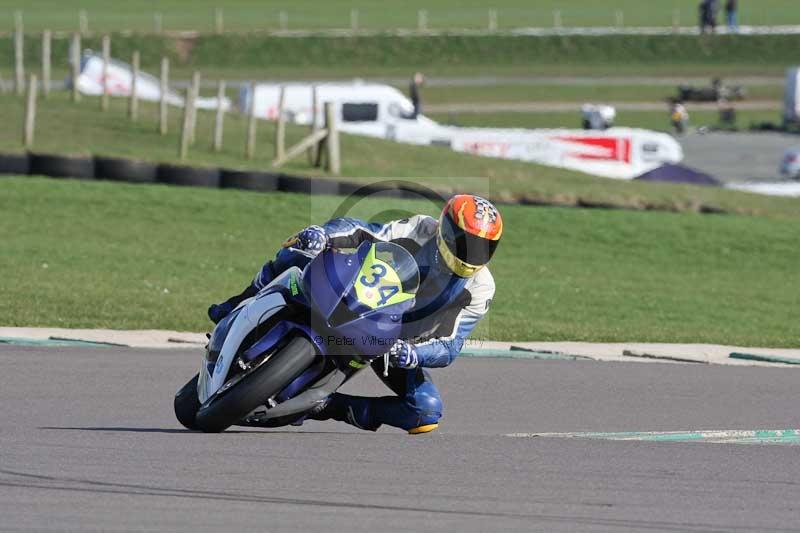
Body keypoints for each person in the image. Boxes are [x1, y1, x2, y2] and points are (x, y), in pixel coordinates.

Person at [207, 194, 503, 434]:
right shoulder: (421, 229)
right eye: (465, 241)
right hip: (360, 297)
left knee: (424, 410)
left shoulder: (481, 288)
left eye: (482, 247)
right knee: (299, 251)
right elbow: (365, 231)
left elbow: (451, 344)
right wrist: (325, 235)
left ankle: (322, 405)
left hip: (393, 345)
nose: (472, 252)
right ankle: (239, 302)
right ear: (446, 229)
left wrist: (414, 354)